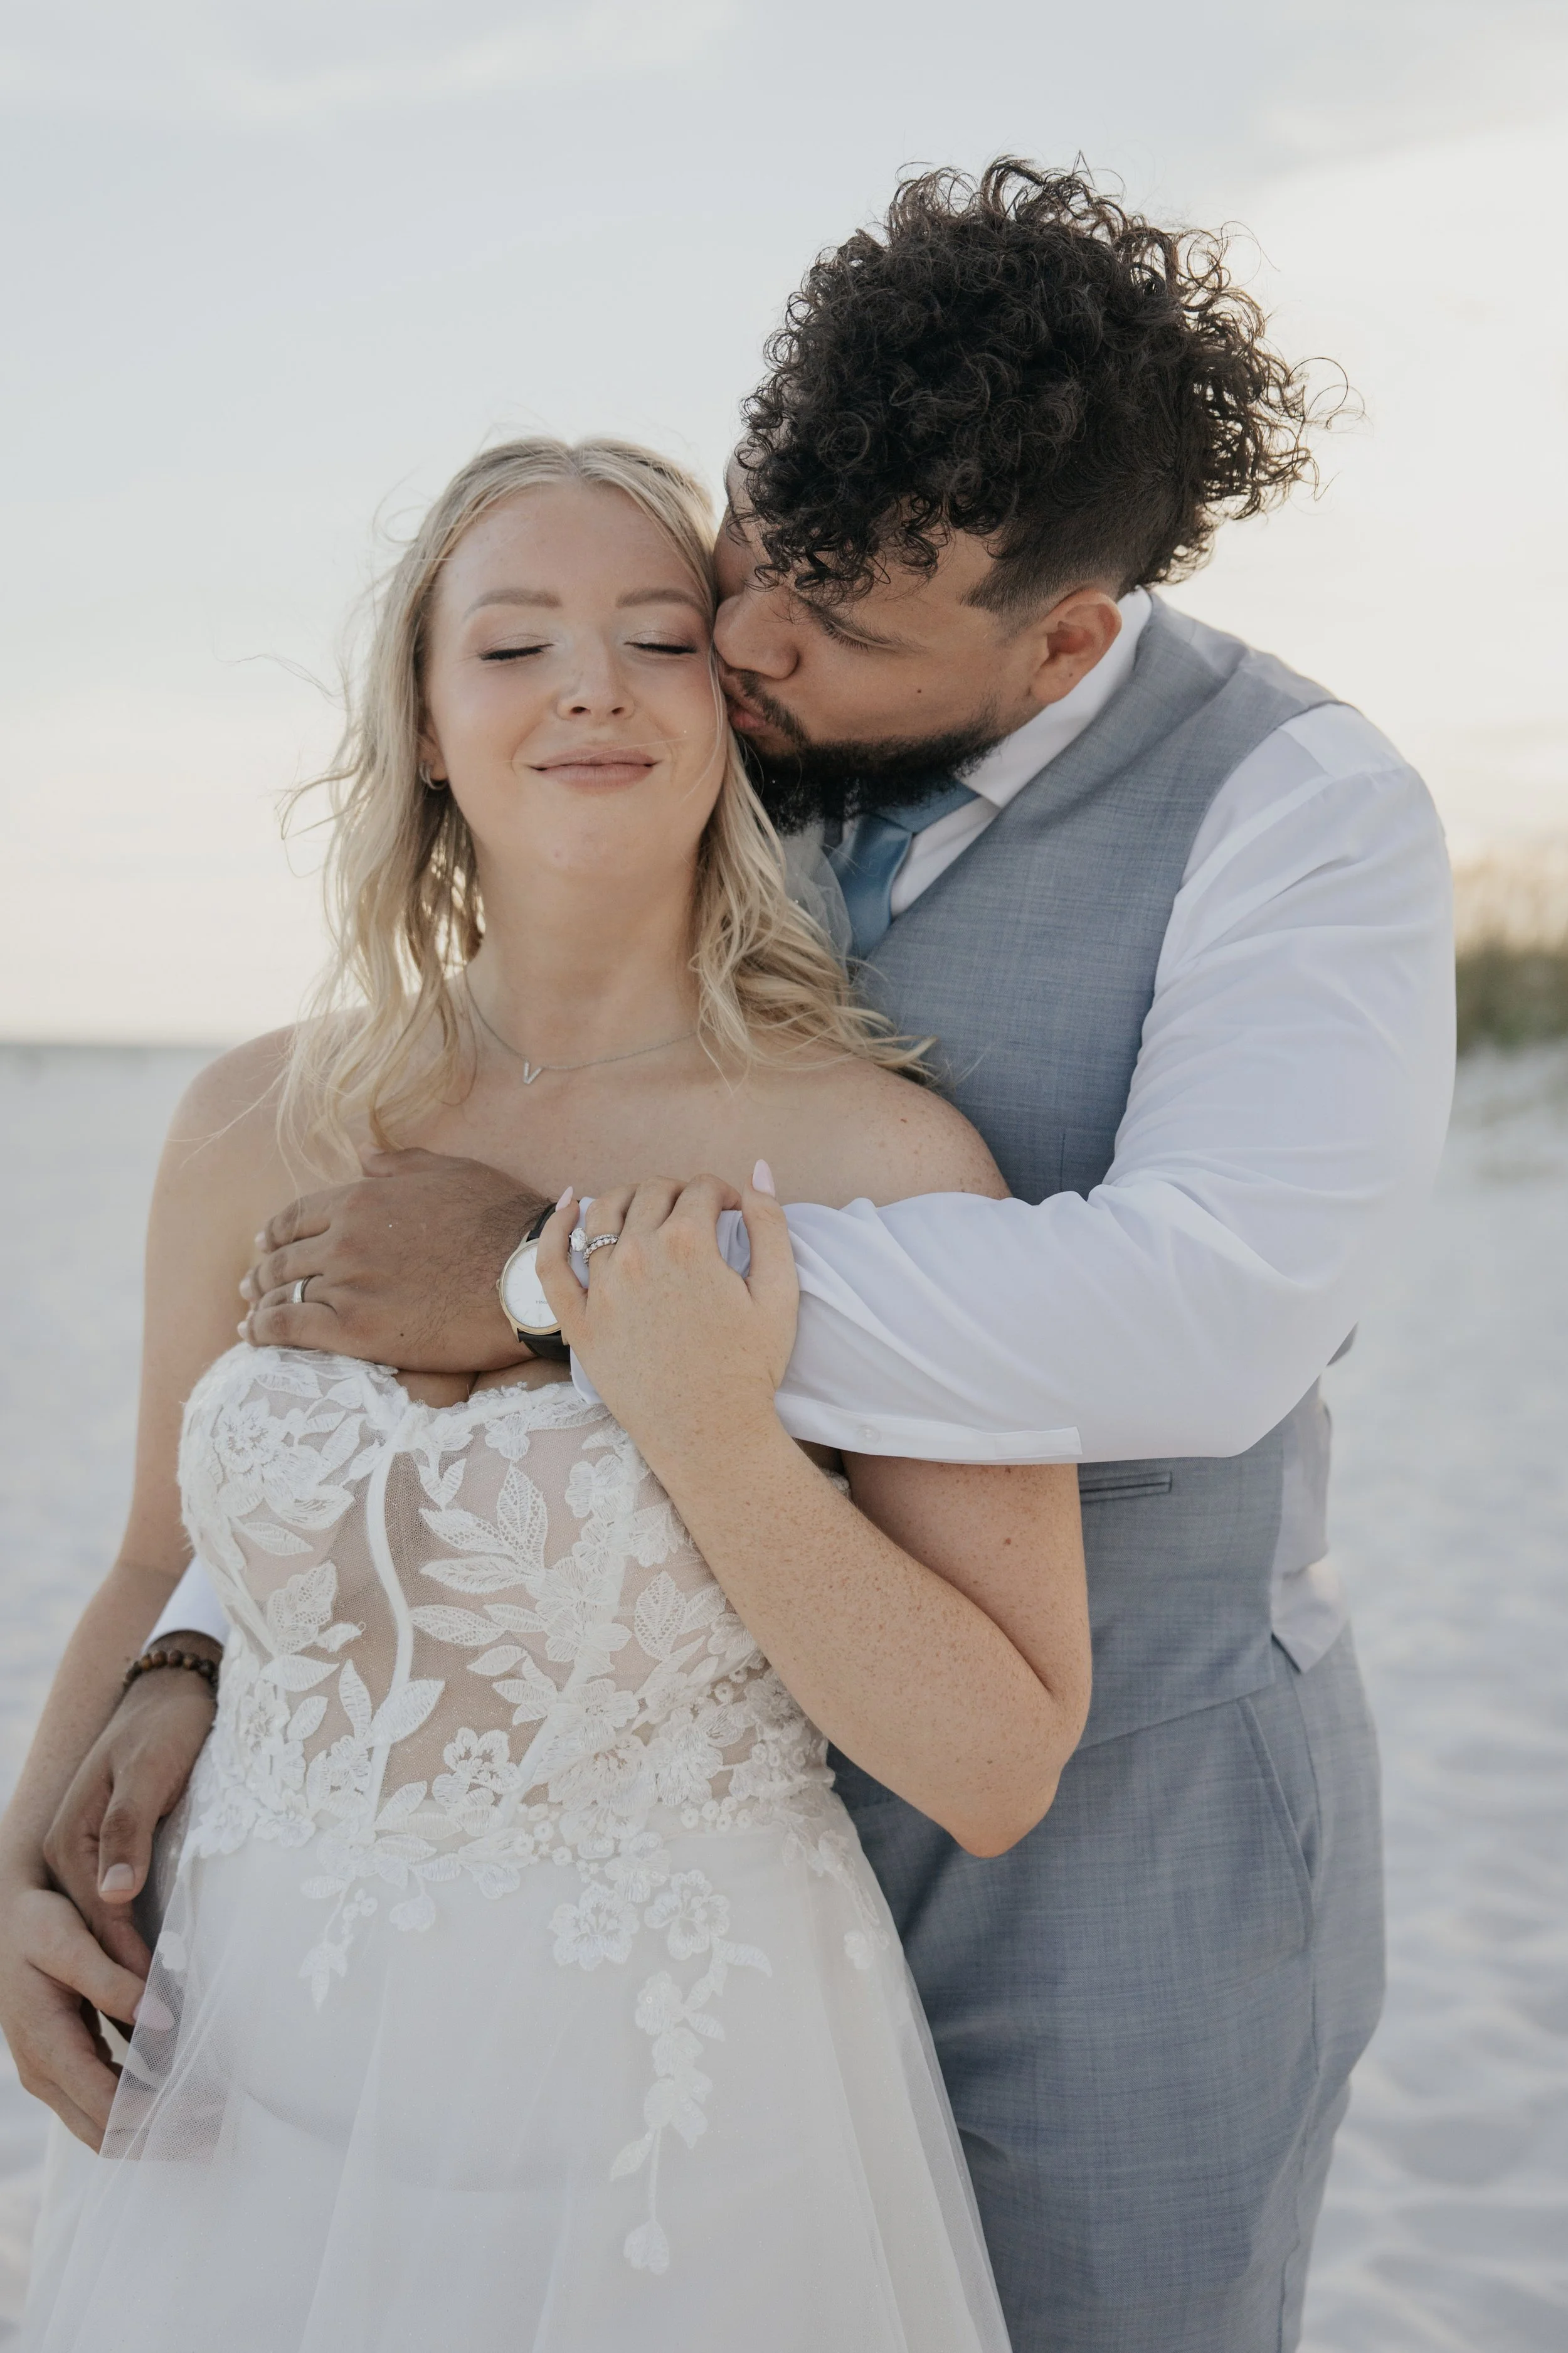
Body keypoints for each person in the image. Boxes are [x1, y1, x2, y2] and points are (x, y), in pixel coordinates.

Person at [4, 162, 1455, 2353]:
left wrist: (559, 1297)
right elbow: (215, 1506)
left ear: (1059, 634)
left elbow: (1211, 1318)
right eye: (747, 572)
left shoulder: (1287, 814)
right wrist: (194, 1676)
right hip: (351, 1996)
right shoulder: (664, 763)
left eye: (788, 633)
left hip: (1103, 1846)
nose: (742, 652)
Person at [5, 433, 1093, 2351]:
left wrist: (690, 1408)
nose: (585, 683)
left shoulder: (884, 1158)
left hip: (667, 2100)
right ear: (424, 723)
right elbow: (152, 1565)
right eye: (510, 646)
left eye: (651, 636)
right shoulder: (253, 1119)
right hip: (261, 2060)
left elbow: (996, 1764)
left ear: (730, 707)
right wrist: (18, 1873)